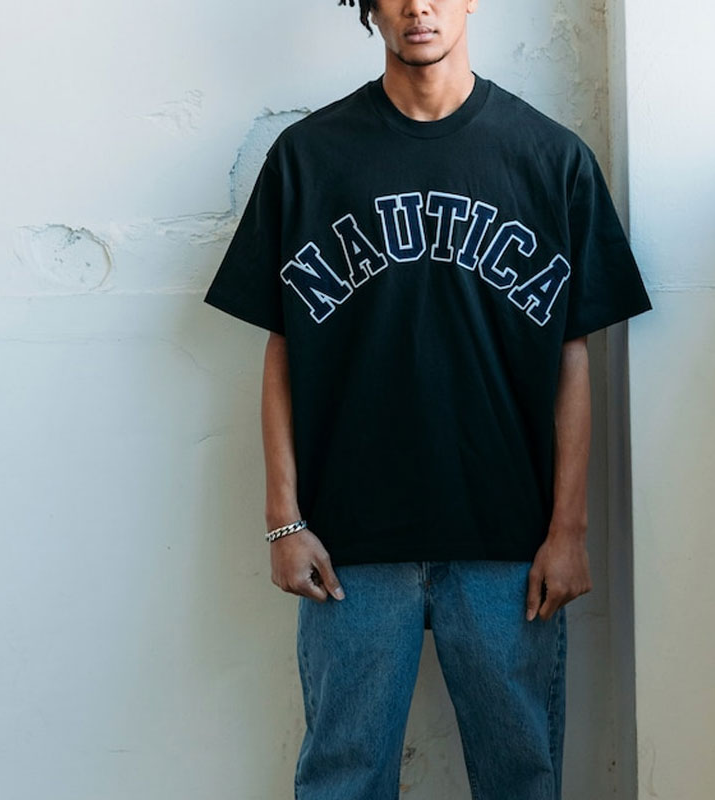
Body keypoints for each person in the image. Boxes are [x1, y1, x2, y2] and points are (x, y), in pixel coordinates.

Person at [203, 0, 652, 797]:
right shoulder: (310, 157)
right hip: (349, 543)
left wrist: (569, 530)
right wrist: (284, 521)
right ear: (368, 6)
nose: (419, 6)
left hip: (509, 542)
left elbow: (570, 358)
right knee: (342, 779)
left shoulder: (549, 158)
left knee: (521, 778)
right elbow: (283, 349)